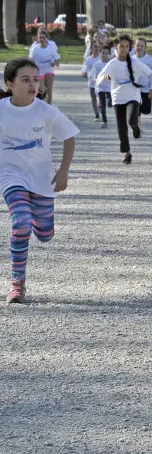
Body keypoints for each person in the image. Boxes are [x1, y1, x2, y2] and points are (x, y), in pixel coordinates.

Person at [0, 58, 78, 303]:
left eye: (36, 79)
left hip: (42, 179)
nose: (33, 85)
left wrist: (64, 171)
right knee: (21, 223)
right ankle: (17, 285)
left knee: (44, 234)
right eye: (25, 80)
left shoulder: (46, 111)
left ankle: (41, 224)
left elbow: (69, 136)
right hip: (10, 176)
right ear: (10, 84)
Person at [96, 35, 152, 164]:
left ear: (130, 48)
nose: (124, 49)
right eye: (121, 47)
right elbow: (99, 78)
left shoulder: (135, 63)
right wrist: (104, 78)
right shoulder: (112, 63)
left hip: (133, 95)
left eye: (126, 47)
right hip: (117, 97)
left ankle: (136, 128)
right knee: (121, 128)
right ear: (116, 47)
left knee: (131, 120)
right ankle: (127, 153)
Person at [28, 30, 61, 105]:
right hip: (40, 71)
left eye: (43, 37)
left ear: (47, 38)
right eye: (40, 38)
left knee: (49, 90)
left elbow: (57, 58)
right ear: (38, 39)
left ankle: (49, 105)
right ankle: (41, 105)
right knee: (41, 89)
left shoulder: (51, 48)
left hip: (49, 70)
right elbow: (30, 60)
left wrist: (55, 63)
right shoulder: (35, 49)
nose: (42, 39)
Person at [90, 45, 112, 129]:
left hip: (109, 87)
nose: (104, 55)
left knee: (110, 101)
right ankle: (104, 122)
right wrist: (96, 79)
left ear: (109, 54)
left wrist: (104, 77)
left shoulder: (111, 64)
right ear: (100, 53)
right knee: (103, 106)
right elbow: (94, 77)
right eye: (103, 53)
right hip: (100, 87)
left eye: (106, 53)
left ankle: (109, 100)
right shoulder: (97, 64)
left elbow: (113, 76)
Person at [82, 42, 102, 122]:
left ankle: (101, 110)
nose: (96, 48)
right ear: (91, 48)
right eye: (95, 46)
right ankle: (97, 114)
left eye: (98, 46)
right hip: (92, 83)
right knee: (93, 98)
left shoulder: (102, 57)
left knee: (101, 99)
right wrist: (85, 74)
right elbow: (85, 71)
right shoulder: (89, 59)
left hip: (101, 83)